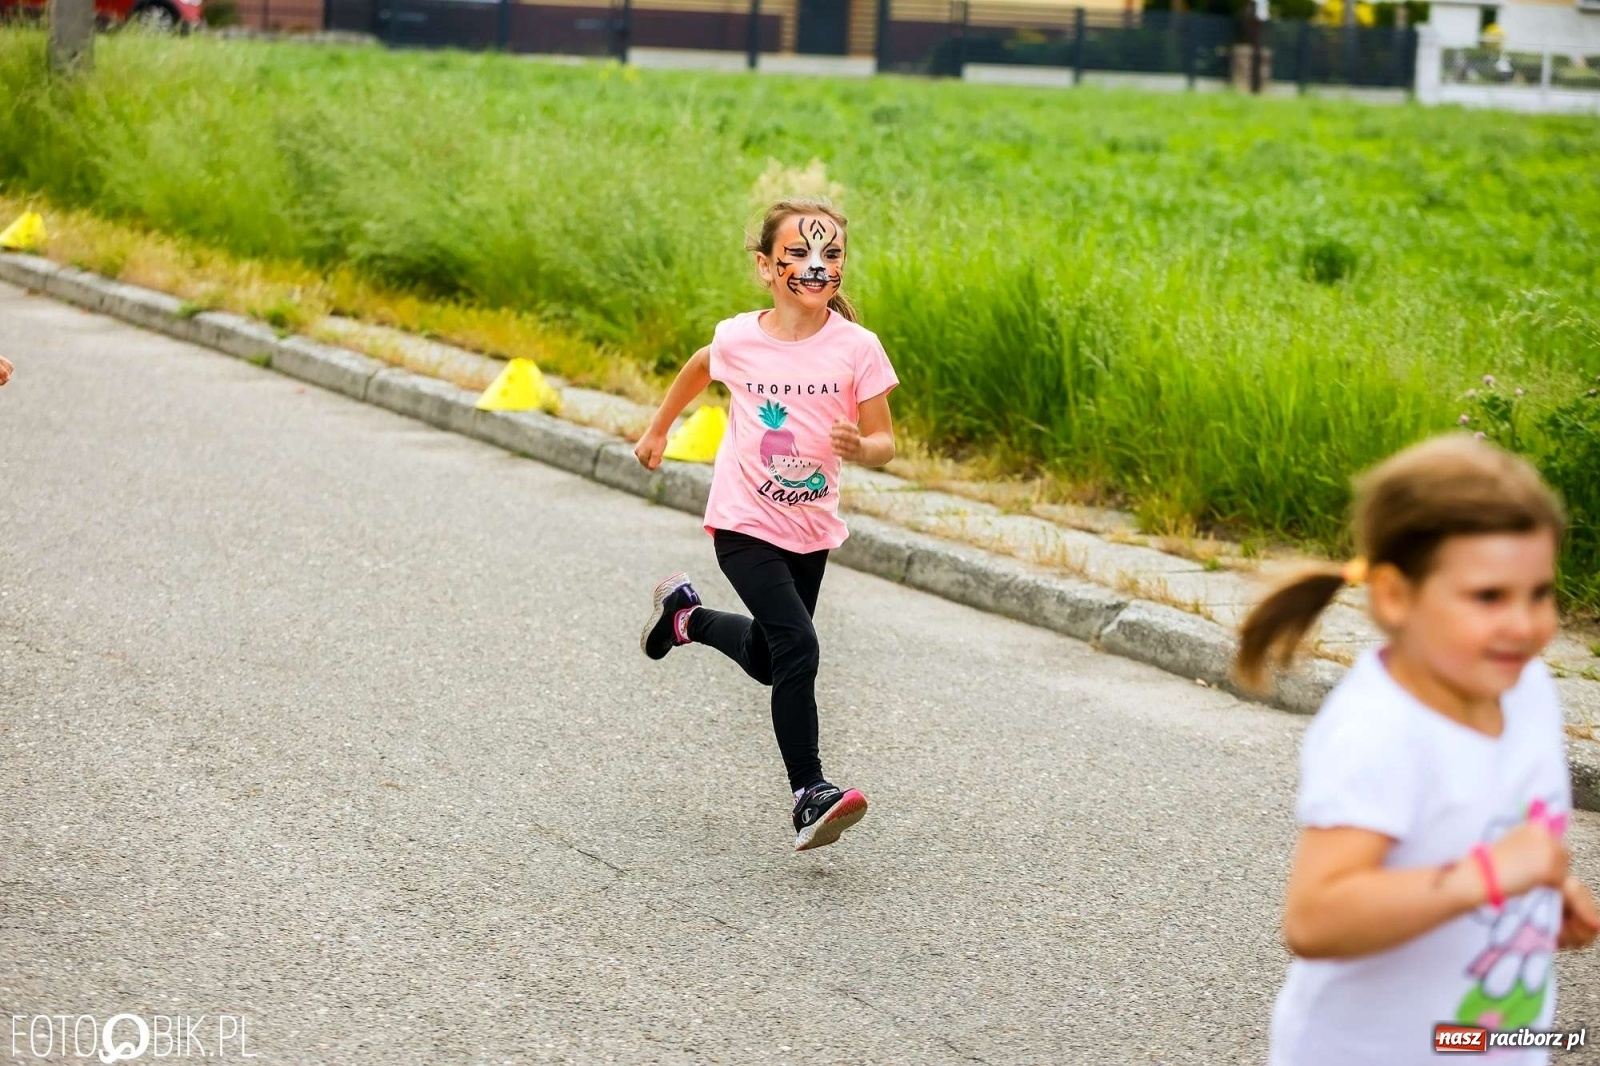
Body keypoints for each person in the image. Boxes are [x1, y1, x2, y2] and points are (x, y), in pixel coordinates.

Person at [1235, 434, 1599, 1065]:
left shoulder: (1526, 686)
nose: (1525, 623)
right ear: (1396, 597)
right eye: (1489, 597)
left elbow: (1488, 829)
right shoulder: (1381, 731)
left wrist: (1537, 892)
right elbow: (1315, 919)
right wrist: (1489, 878)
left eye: (1539, 592)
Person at [633, 198, 898, 852]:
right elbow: (699, 366)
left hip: (811, 528)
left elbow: (885, 438)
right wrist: (658, 427)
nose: (816, 266)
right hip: (743, 522)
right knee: (800, 649)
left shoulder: (858, 348)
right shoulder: (739, 339)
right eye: (800, 254)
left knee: (768, 658)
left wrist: (865, 450)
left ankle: (684, 618)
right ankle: (809, 793)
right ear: (764, 265)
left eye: (831, 255)